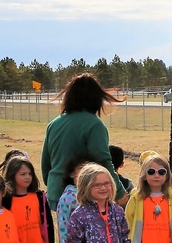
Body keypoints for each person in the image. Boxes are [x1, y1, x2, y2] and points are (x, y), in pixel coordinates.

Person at [40, 73, 124, 211]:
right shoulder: (94, 125)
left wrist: (52, 183)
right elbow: (103, 161)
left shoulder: (54, 124)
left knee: (65, 232)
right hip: (82, 195)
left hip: (56, 192)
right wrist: (119, 193)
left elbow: (46, 164)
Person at [109, 144, 136, 243]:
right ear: (122, 165)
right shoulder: (127, 183)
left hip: (106, 226)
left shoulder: (99, 181)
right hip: (123, 225)